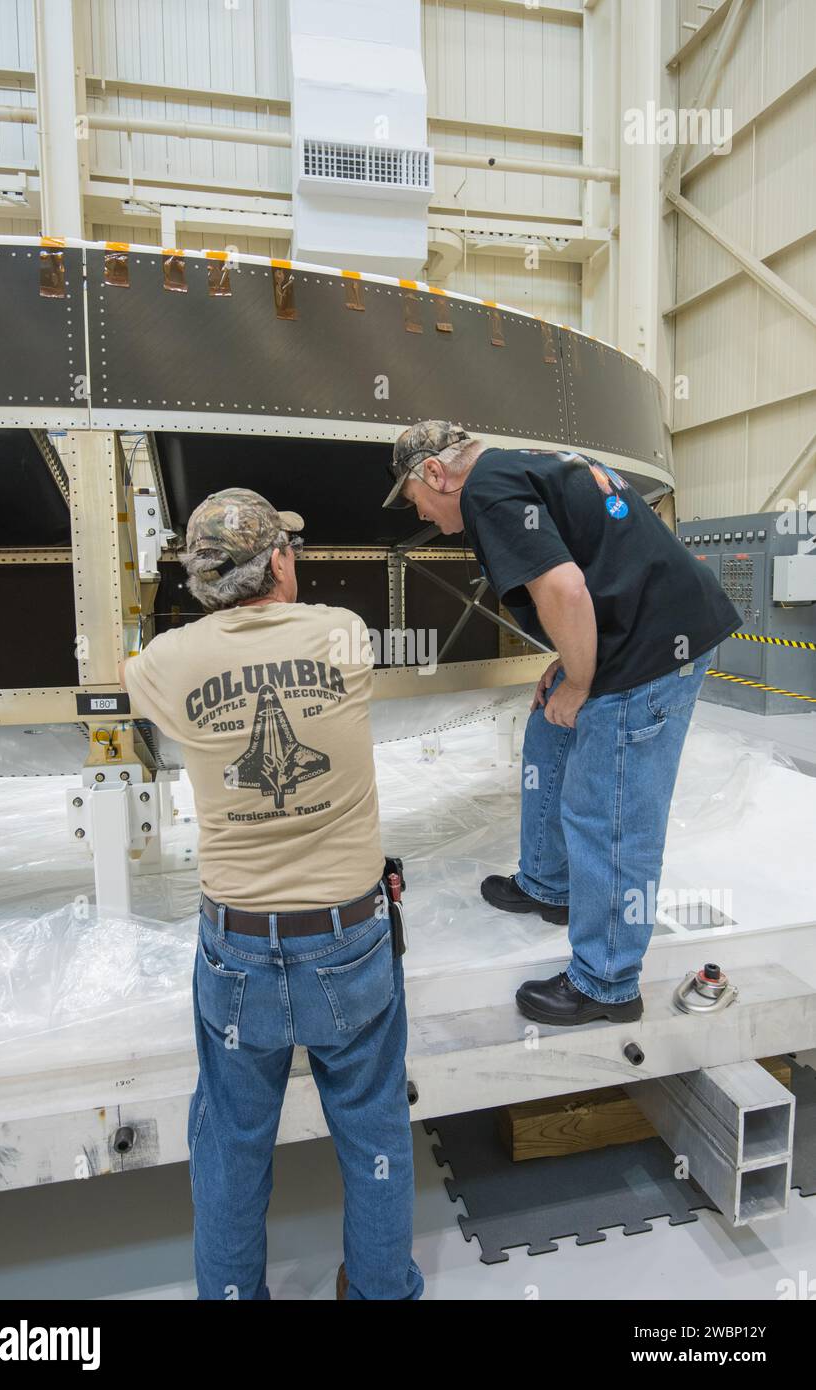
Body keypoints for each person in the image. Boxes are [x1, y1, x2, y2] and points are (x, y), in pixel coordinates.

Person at [122, 487, 423, 1300]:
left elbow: (128, 671)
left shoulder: (165, 665)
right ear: (278, 562)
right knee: (372, 1128)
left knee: (229, 1141)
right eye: (287, 548)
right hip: (349, 937)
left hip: (239, 947)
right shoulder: (343, 634)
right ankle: (380, 1289)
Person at [383, 421, 742, 1025]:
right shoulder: (521, 465)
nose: (416, 509)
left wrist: (581, 680)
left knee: (611, 807)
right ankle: (549, 884)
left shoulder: (485, 493)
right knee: (551, 729)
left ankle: (607, 982)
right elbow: (586, 569)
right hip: (645, 625)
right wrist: (571, 662)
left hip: (652, 648)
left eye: (412, 496)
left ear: (435, 474)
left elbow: (566, 586)